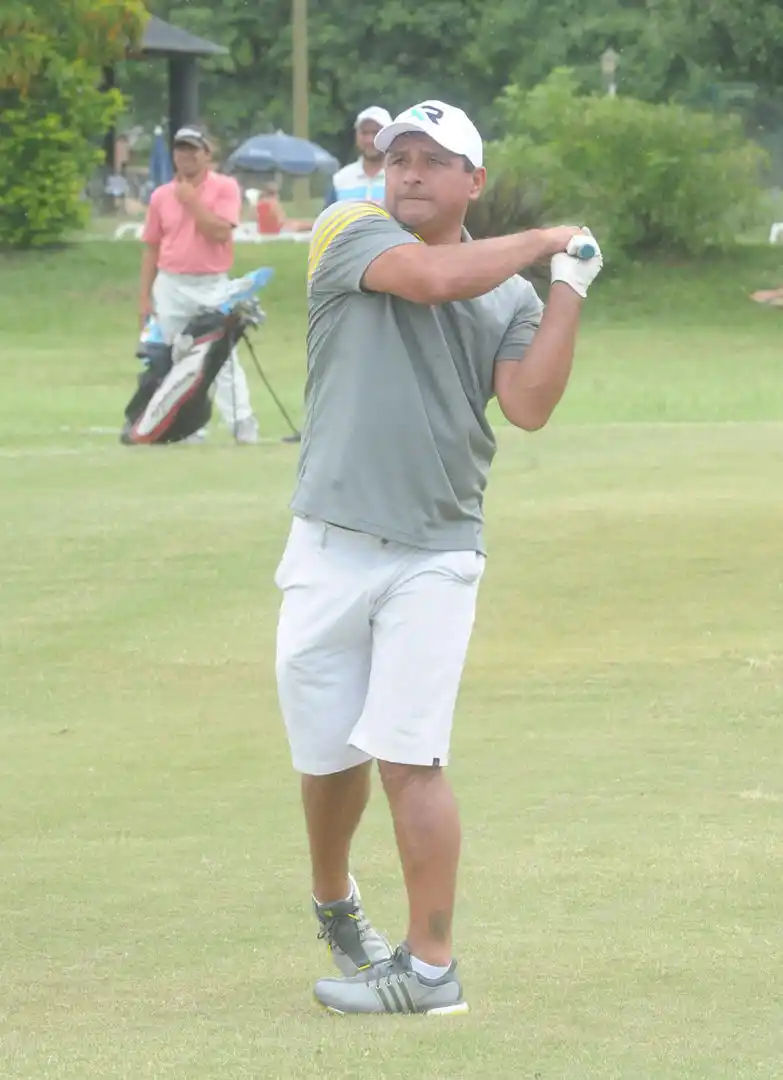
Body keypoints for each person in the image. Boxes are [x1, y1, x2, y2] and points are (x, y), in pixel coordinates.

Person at [273, 99, 604, 1015]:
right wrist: (544, 236)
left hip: (436, 552)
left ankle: (429, 971)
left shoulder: (510, 293)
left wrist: (567, 287)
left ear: (472, 180)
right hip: (327, 544)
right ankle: (335, 900)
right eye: (398, 156)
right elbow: (425, 281)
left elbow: (529, 404)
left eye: (431, 159)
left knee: (408, 756)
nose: (408, 170)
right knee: (326, 754)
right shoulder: (350, 229)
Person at [139, 125, 259, 444]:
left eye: (193, 149)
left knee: (220, 356)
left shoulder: (224, 188)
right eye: (180, 149)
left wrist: (192, 202)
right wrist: (144, 298)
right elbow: (152, 246)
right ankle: (189, 426)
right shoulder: (161, 196)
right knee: (178, 359)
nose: (186, 155)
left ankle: (241, 421)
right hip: (171, 283)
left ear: (208, 153)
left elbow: (221, 232)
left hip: (211, 283)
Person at [323, 106, 392, 207]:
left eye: (376, 132)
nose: (369, 140)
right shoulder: (340, 180)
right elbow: (327, 221)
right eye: (364, 133)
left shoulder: (401, 179)